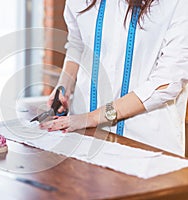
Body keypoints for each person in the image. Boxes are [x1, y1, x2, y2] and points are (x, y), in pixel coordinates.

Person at [40, 0, 188, 156]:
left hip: (145, 144)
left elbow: (166, 83)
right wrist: (64, 87)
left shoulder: (176, 4)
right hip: (82, 137)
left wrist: (92, 117)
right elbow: (77, 44)